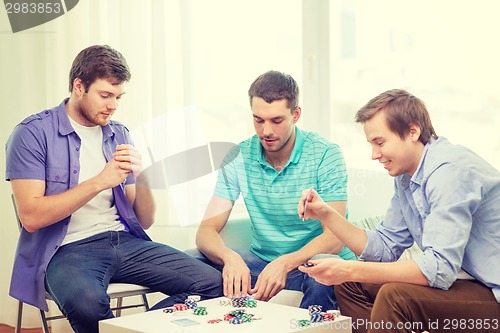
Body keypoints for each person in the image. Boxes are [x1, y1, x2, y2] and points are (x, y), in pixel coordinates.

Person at [5, 45, 223, 333]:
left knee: (212, 284)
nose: (113, 106)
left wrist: (144, 176)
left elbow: (144, 220)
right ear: (78, 86)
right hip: (66, 250)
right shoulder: (33, 133)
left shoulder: (119, 133)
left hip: (123, 241)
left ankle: (129, 329)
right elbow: (31, 217)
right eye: (105, 95)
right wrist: (99, 181)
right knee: (87, 303)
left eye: (118, 97)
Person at [298, 89, 500, 333]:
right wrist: (326, 213)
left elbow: (439, 268)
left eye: (380, 143)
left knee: (395, 297)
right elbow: (383, 248)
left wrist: (350, 268)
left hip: (492, 291)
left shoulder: (449, 172)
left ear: (413, 131)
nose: (374, 155)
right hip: (466, 280)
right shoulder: (407, 177)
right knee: (351, 283)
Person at [189, 70, 356, 311]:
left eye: (276, 121)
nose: (266, 131)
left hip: (311, 264)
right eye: (258, 120)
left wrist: (286, 263)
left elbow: (335, 238)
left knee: (323, 268)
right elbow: (206, 231)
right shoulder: (239, 157)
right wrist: (230, 257)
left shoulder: (325, 154)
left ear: (295, 114)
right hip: (262, 263)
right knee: (189, 260)